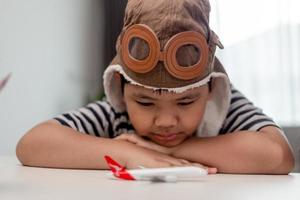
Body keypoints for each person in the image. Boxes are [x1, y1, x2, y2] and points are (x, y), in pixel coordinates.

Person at [16, 0, 294, 174]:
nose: (165, 122)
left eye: (185, 102)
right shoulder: (116, 113)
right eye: (145, 103)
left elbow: (278, 156)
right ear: (121, 88)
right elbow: (32, 145)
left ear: (211, 90)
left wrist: (165, 151)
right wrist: (129, 153)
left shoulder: (224, 106)